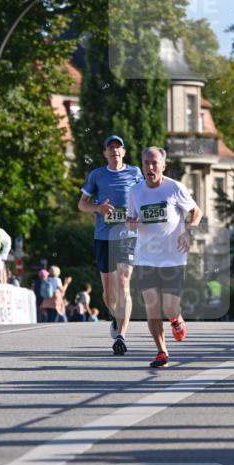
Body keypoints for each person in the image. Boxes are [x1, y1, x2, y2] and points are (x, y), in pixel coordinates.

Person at [127, 147, 202, 368]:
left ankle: (176, 320)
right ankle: (162, 352)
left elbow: (196, 211)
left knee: (169, 308)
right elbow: (132, 219)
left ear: (163, 165)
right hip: (145, 258)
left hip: (173, 258)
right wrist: (130, 223)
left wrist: (189, 231)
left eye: (154, 163)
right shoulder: (135, 191)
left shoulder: (174, 188)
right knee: (151, 307)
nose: (150, 167)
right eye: (146, 163)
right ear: (142, 165)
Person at [78, 135, 143, 355]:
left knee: (124, 281)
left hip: (126, 236)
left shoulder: (134, 173)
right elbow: (82, 205)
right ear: (105, 153)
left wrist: (139, 217)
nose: (115, 151)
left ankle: (122, 335)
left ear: (124, 152)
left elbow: (144, 198)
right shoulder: (97, 175)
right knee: (108, 294)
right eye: (110, 148)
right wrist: (98, 208)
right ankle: (116, 317)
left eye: (119, 147)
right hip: (103, 236)